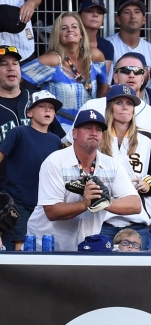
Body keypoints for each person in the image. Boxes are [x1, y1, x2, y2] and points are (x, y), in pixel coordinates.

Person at [27, 109, 141, 252]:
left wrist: (103, 201)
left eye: (98, 129)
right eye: (88, 128)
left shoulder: (112, 165)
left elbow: (135, 204)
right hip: (45, 247)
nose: (94, 133)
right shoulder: (54, 161)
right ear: (74, 133)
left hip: (84, 248)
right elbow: (52, 211)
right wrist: (85, 203)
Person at [97, 84, 151, 241]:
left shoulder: (147, 139)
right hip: (101, 223)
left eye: (129, 103)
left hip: (136, 224)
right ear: (110, 107)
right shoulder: (96, 137)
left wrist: (147, 184)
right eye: (119, 103)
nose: (125, 107)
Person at [21, 12, 108, 131]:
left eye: (74, 26)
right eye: (64, 28)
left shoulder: (95, 57)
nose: (69, 30)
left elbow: (104, 86)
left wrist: (98, 111)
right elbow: (15, 79)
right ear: (58, 35)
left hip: (90, 127)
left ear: (81, 33)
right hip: (59, 130)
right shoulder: (51, 61)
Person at [0, 91, 62, 249]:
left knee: (44, 245)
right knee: (21, 244)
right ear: (29, 112)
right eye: (41, 106)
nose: (47, 110)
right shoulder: (18, 132)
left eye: (51, 108)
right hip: (17, 201)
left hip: (44, 204)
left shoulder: (56, 141)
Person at [80, 53, 151, 156]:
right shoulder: (91, 107)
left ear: (142, 79)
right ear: (115, 77)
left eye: (138, 71)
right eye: (125, 70)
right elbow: (73, 145)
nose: (132, 75)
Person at [0, 46, 66, 184]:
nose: (11, 68)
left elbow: (61, 141)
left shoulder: (39, 100)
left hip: (42, 184)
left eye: (15, 64)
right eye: (3, 64)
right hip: (5, 188)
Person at [107, 0, 151, 69]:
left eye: (137, 12)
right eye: (127, 12)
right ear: (118, 20)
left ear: (144, 19)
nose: (132, 16)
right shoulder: (107, 45)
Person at [79, 0, 114, 68]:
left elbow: (103, 76)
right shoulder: (71, 41)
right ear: (79, 15)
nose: (95, 15)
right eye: (90, 11)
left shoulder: (107, 46)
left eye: (100, 12)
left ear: (103, 18)